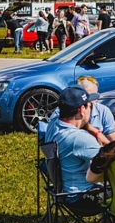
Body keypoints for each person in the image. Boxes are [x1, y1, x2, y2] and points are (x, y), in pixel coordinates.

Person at [44, 85, 106, 214]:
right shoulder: (80, 139)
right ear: (82, 110)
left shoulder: (53, 126)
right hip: (83, 198)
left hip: (64, 193)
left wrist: (95, 131)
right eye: (90, 106)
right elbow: (111, 162)